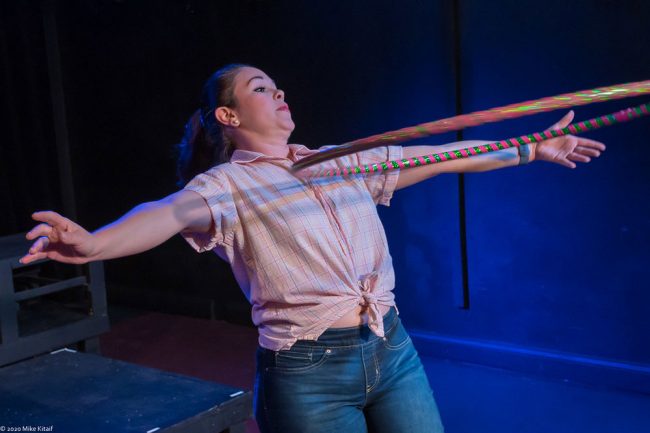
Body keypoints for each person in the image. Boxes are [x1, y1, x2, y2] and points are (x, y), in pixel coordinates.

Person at [20, 64, 605, 433]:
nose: (278, 94)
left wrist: (531, 148)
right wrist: (94, 244)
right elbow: (166, 214)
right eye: (260, 89)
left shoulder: (340, 158)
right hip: (307, 373)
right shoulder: (225, 187)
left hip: (390, 348)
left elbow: (441, 155)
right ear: (228, 116)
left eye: (277, 87)